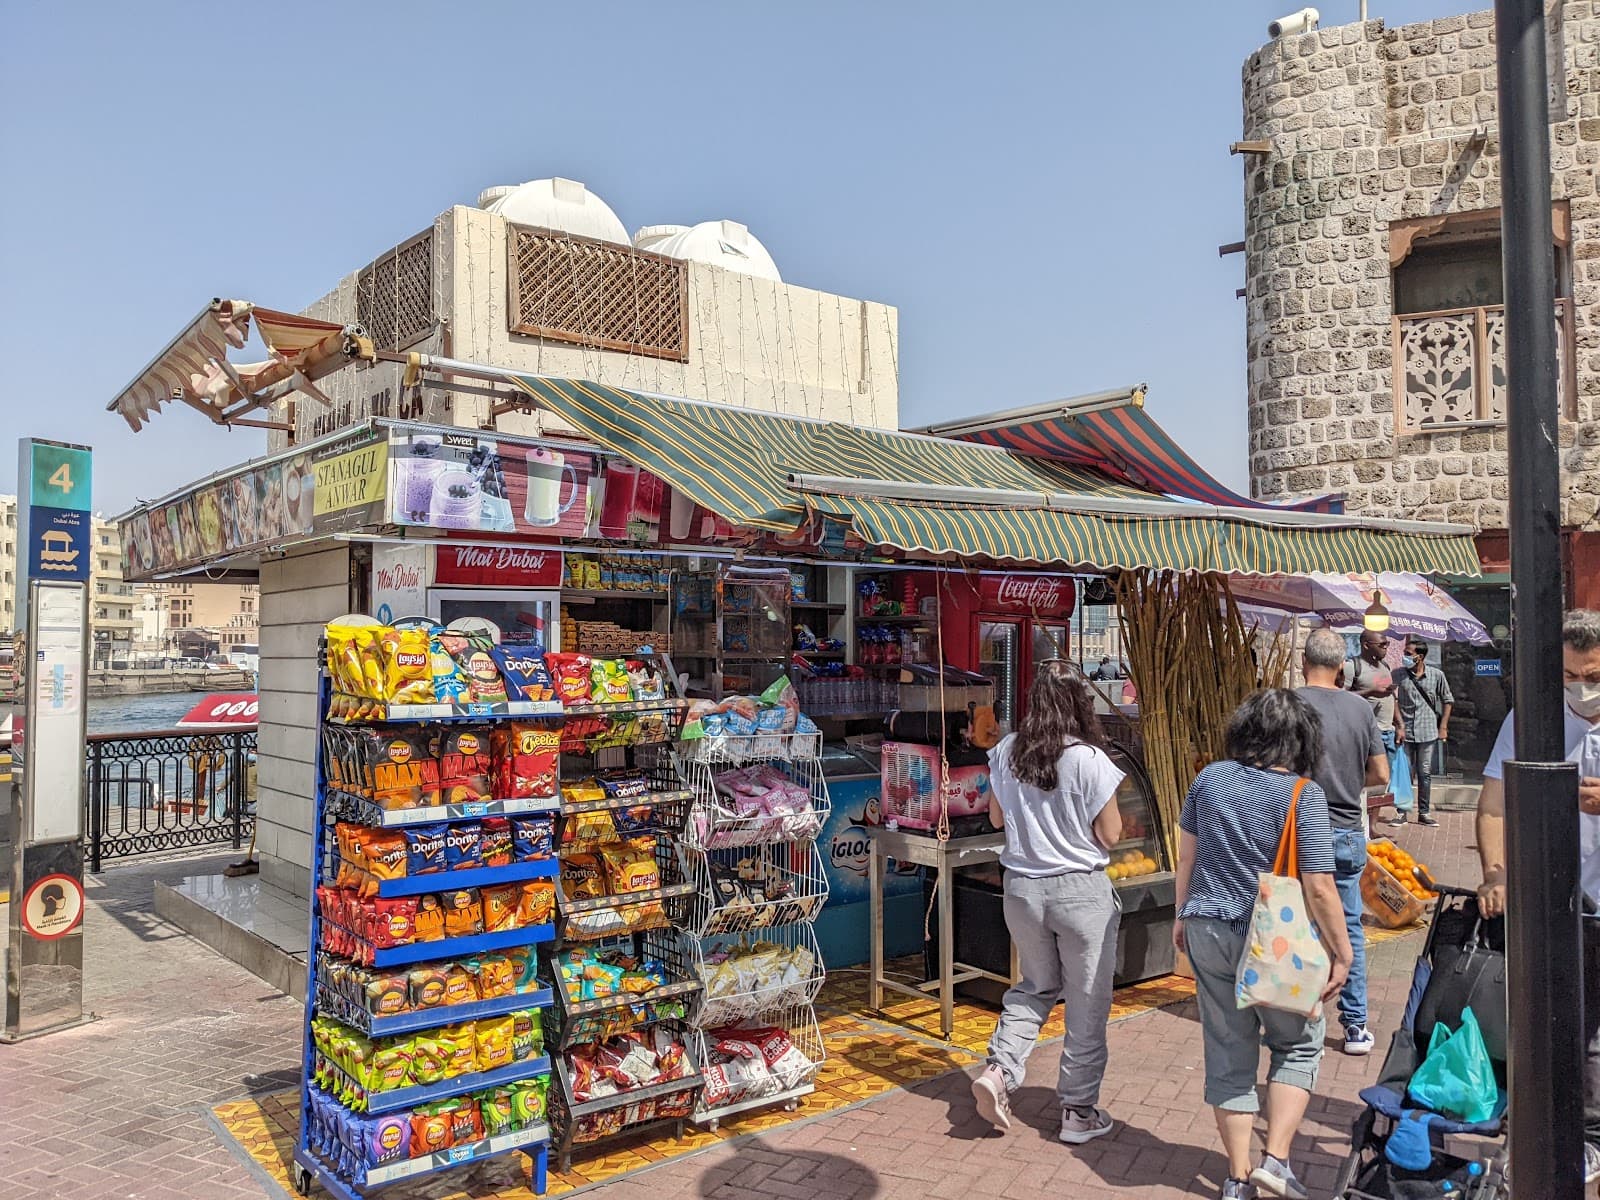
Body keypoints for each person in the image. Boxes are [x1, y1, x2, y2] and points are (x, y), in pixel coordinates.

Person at [1174, 689, 1354, 1200]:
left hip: (1207, 926)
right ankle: (1275, 1161)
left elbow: (1186, 856)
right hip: (1277, 940)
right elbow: (1319, 887)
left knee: (1228, 1051)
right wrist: (1343, 953)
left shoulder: (1208, 778)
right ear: (1300, 740)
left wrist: (1181, 913)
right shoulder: (1303, 795)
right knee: (1296, 1044)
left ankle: (1236, 1177)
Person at [971, 659, 1124, 1146]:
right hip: (1080, 892)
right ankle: (1078, 1112)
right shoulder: (1089, 759)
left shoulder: (1006, 751)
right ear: (1079, 706)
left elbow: (996, 818)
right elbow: (1112, 833)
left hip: (1021, 889)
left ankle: (998, 1071)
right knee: (1085, 1003)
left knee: (1035, 986)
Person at [1475, 610, 1600, 1183]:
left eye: (1594, 675)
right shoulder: (1532, 721)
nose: (1583, 688)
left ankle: (1589, 1139)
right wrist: (1496, 872)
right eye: (1572, 675)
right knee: (1550, 1024)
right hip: (1550, 905)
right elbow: (1494, 805)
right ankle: (1548, 1132)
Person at [1297, 628, 1389, 1056]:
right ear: (1341, 668)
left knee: (1299, 922)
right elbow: (1382, 775)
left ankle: (1299, 1010)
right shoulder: (1360, 709)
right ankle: (1355, 1026)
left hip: (1297, 830)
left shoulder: (1288, 706)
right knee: (1347, 926)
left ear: (1303, 662)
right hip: (1348, 829)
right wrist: (1351, 784)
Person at [1388, 638, 1452, 828]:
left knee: (1424, 773)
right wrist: (1398, 723)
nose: (1405, 657)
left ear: (1420, 656)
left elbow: (1448, 700)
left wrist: (1443, 727)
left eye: (1408, 654)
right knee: (1404, 773)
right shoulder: (1398, 675)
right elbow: (1392, 699)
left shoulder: (1436, 675)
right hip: (1404, 731)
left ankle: (1424, 812)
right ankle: (1401, 811)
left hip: (1428, 731)